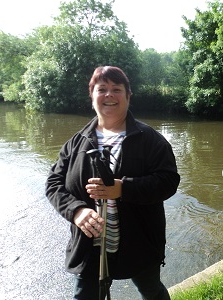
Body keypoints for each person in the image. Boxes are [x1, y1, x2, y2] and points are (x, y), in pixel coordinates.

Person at [46, 66, 180, 300]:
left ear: (128, 96)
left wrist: (123, 188)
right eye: (102, 89)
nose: (109, 95)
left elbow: (168, 182)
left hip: (139, 241)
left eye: (116, 89)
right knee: (84, 296)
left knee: (152, 292)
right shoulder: (76, 142)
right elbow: (53, 183)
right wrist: (75, 210)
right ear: (92, 96)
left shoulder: (151, 140)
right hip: (89, 244)